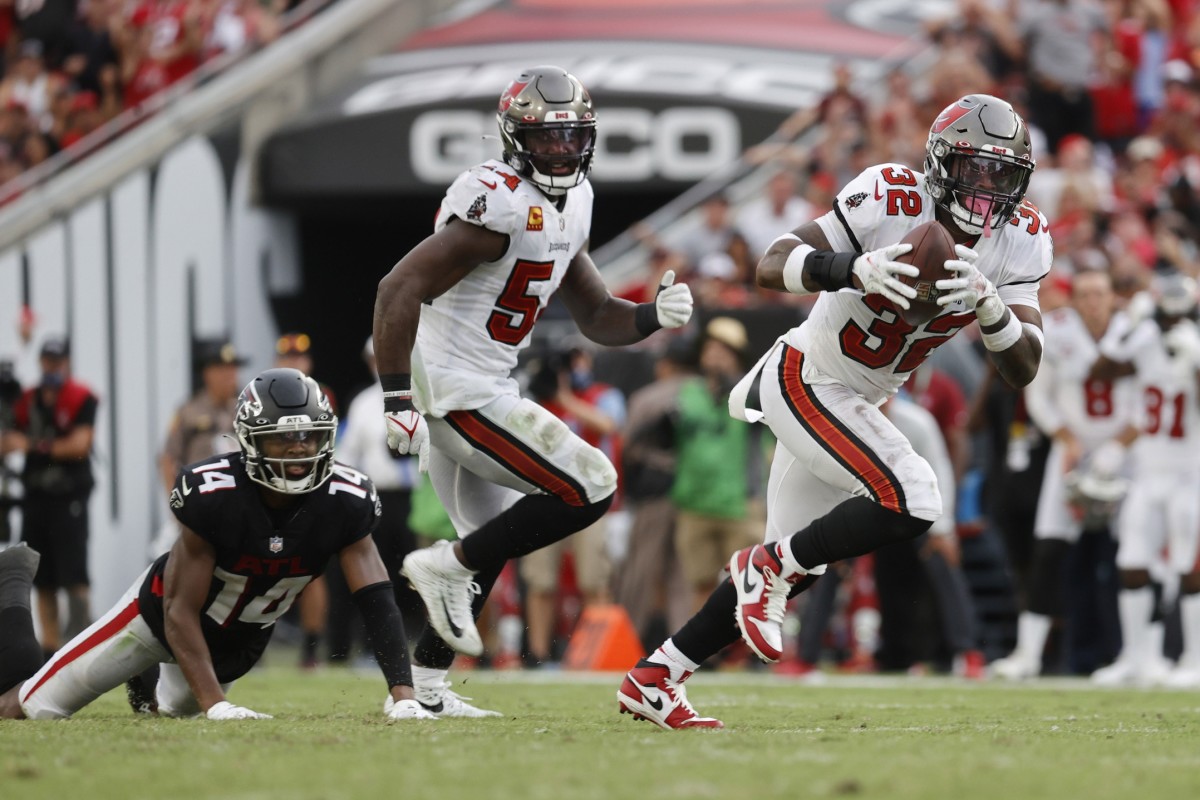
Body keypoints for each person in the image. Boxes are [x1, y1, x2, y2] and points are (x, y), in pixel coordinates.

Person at [617, 93, 1051, 729]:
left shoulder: (1021, 240)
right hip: (809, 376)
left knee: (801, 567)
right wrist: (854, 267)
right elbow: (771, 264)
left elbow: (1025, 367)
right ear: (938, 163)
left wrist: (993, 311)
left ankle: (658, 675)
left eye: (1001, 175)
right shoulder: (891, 194)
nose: (986, 191)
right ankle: (764, 567)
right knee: (914, 497)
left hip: (863, 396)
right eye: (972, 170)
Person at [372, 66, 693, 708]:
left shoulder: (575, 201)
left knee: (491, 540)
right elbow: (396, 288)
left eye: (573, 138)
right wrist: (396, 395)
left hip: (486, 381)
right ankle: (445, 567)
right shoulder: (497, 202)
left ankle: (426, 689)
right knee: (591, 486)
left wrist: (651, 315)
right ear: (514, 138)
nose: (562, 152)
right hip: (456, 387)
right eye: (547, 140)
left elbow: (598, 314)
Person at [0, 368, 434, 721]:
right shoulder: (215, 494)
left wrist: (404, 696)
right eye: (282, 437)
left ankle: (148, 681)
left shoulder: (346, 499)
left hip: (236, 641)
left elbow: (378, 601)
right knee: (27, 708)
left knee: (170, 714)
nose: (298, 451)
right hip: (156, 617)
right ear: (250, 441)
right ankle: (12, 588)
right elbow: (178, 611)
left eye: (309, 436)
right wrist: (218, 705)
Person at [991, 268, 1135, 680]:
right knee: (1049, 548)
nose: (1092, 302)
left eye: (1099, 294)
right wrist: (1066, 439)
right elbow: (1038, 395)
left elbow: (1149, 397)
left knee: (1134, 552)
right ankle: (1028, 653)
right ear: (1075, 299)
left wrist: (1117, 446)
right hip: (1070, 452)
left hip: (1125, 455)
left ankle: (1140, 654)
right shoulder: (1057, 331)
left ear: (1113, 297)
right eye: (1085, 294)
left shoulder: (1136, 332)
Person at [1087, 272, 1200, 687]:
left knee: (1189, 564)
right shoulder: (1147, 337)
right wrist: (1127, 330)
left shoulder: (1194, 341)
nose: (1172, 321)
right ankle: (1137, 658)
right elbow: (1101, 373)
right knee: (1131, 562)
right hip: (1150, 471)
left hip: (1190, 471)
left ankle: (1194, 659)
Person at [522, 346, 625, 666]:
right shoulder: (538, 405)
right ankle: (537, 654)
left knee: (593, 580)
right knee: (541, 582)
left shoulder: (603, 395)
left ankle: (598, 652)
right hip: (546, 498)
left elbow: (610, 425)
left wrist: (565, 398)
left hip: (590, 499)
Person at [0, 337, 98, 657]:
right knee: (42, 578)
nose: (51, 367)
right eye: (47, 361)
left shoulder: (81, 398)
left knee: (74, 576)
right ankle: (50, 648)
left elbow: (79, 445)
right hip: (36, 498)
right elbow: (7, 437)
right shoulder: (28, 399)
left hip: (69, 498)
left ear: (66, 363)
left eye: (57, 362)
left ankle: (83, 642)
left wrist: (32, 445)